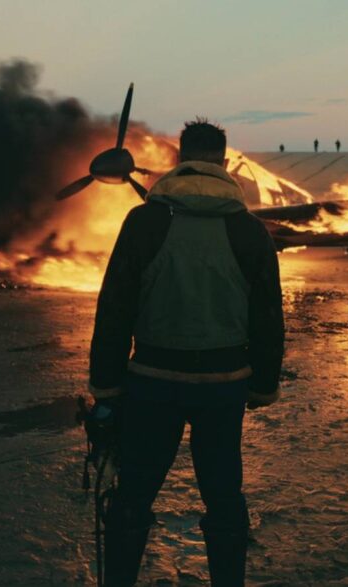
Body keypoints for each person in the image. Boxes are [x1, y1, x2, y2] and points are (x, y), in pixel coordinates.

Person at [89, 118, 285, 586]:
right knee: (224, 496)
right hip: (224, 386)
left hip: (151, 382)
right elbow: (267, 316)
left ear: (180, 158)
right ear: (224, 162)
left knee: (133, 494)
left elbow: (114, 308)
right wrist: (262, 385)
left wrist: (107, 387)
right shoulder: (251, 230)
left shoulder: (143, 221)